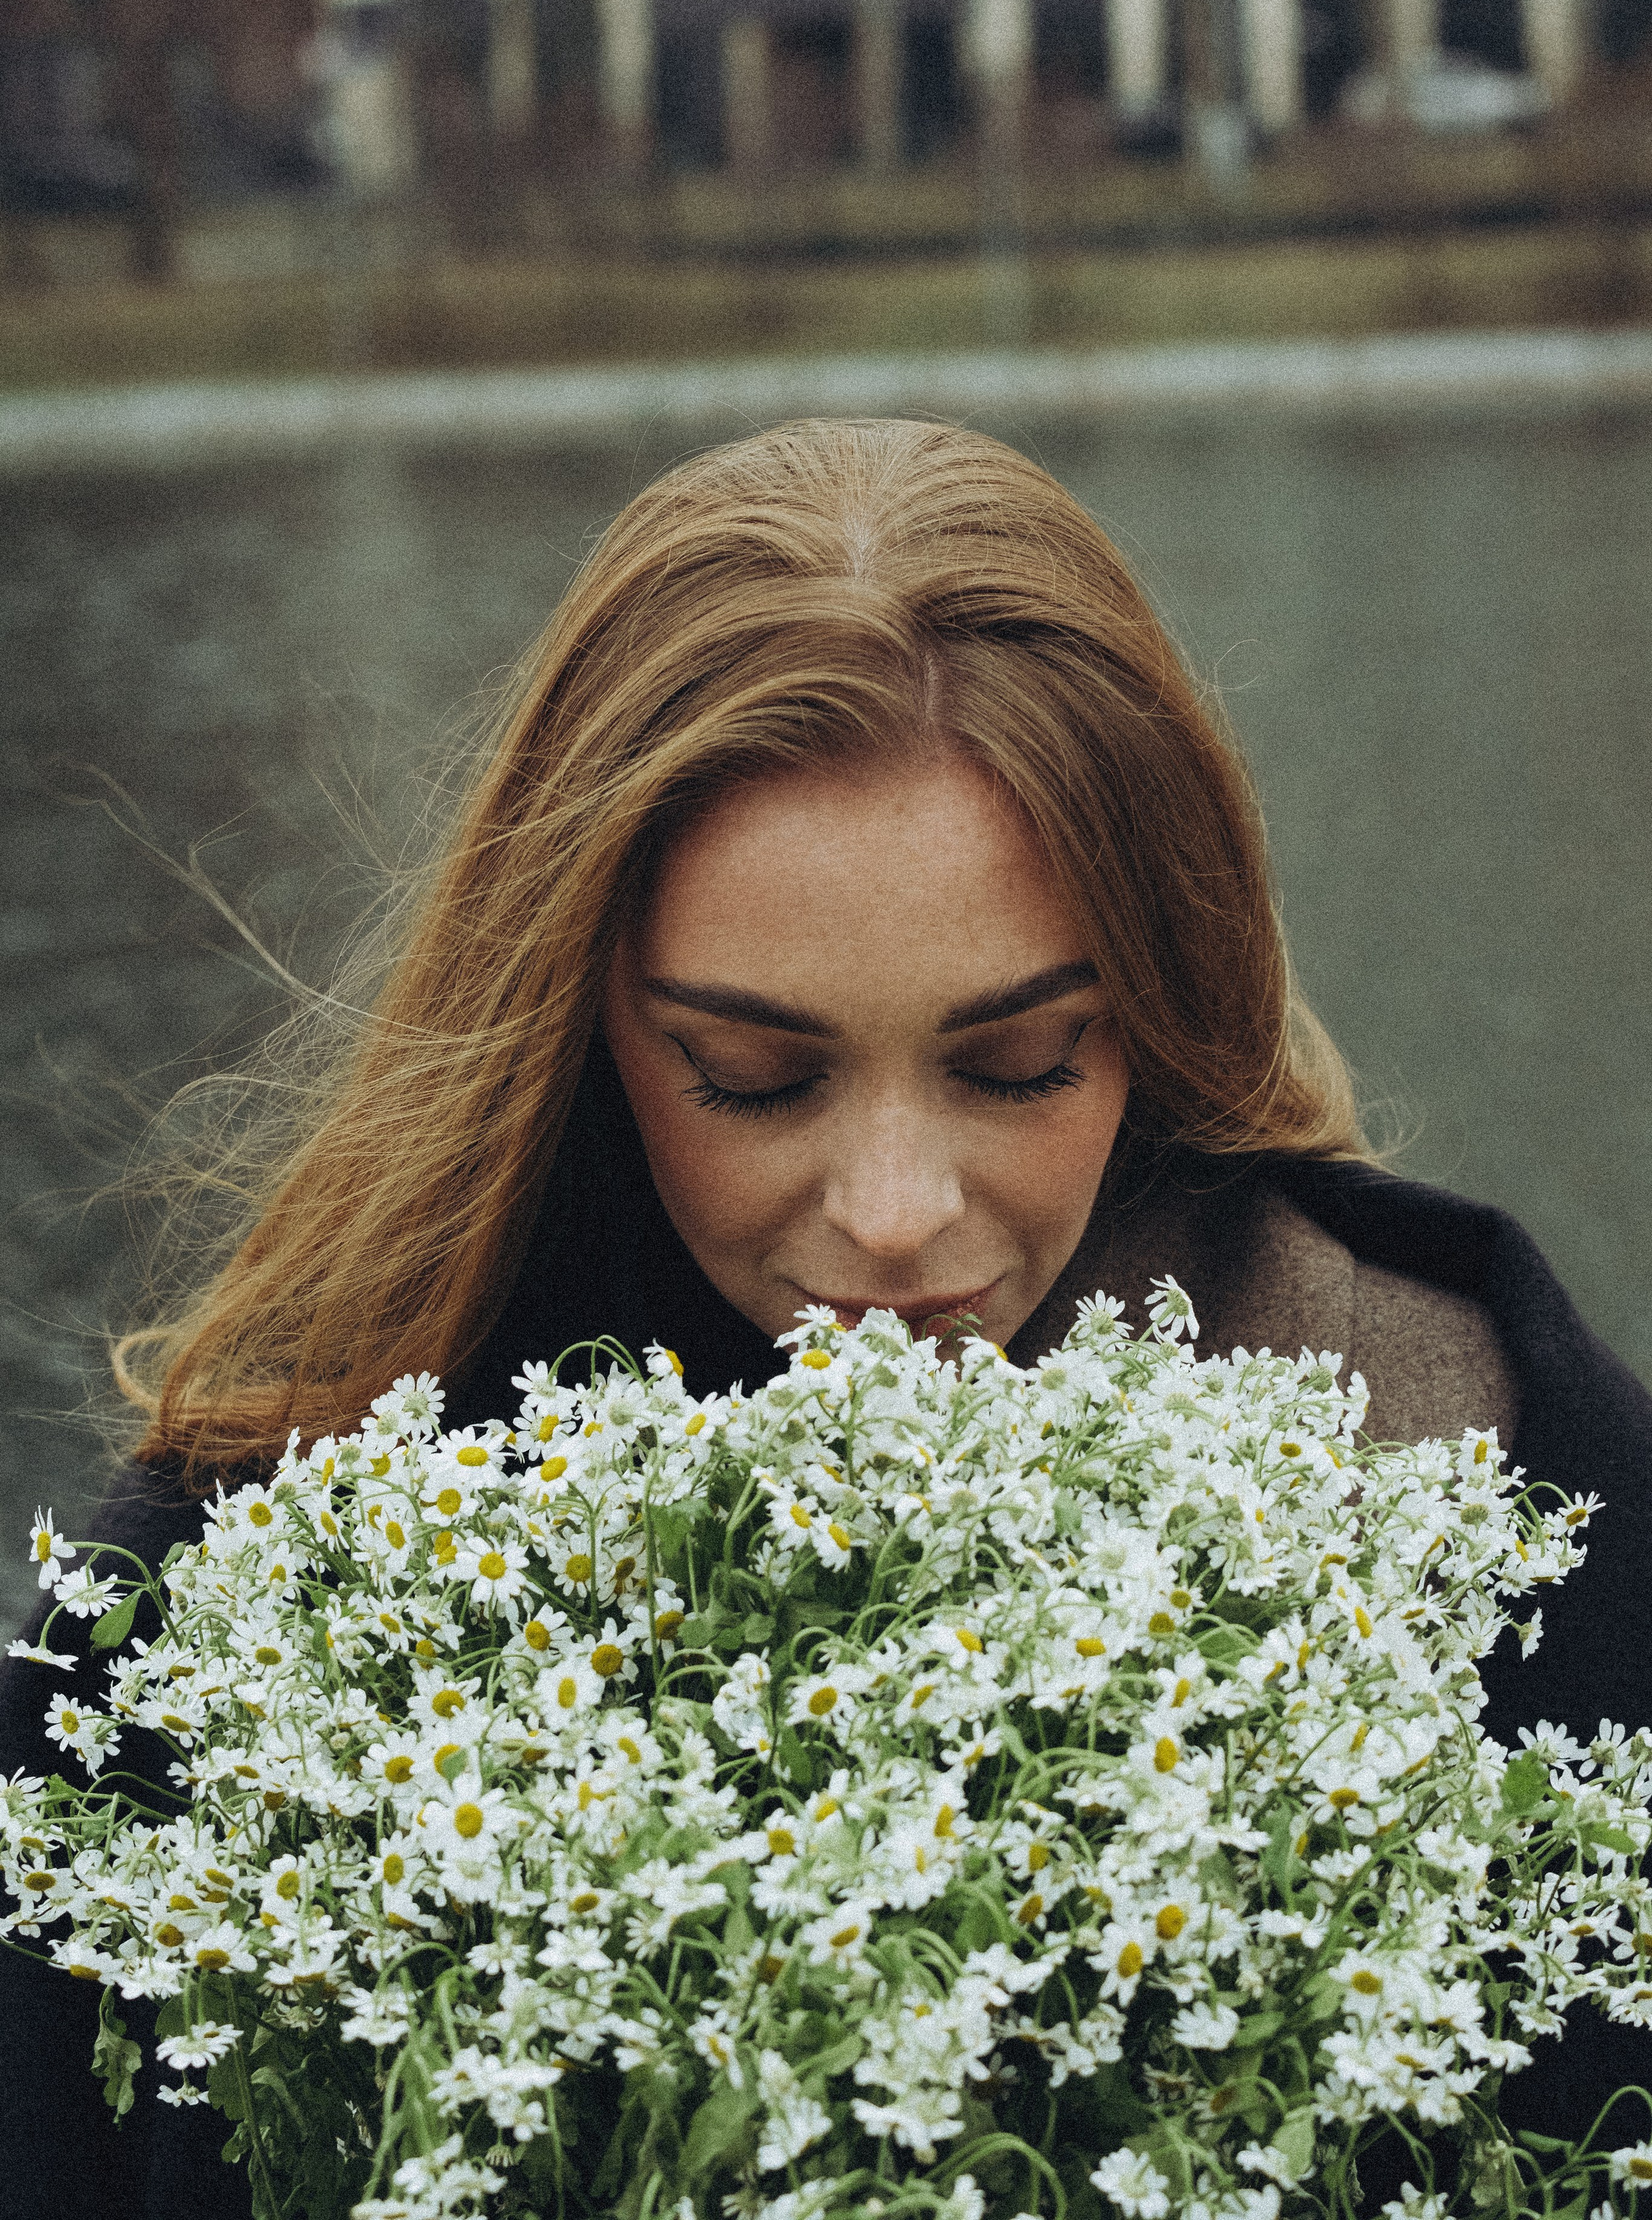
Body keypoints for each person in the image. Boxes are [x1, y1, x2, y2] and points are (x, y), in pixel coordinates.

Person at [3, 417, 1649, 2217]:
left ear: (1162, 1004)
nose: (894, 1216)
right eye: (754, 1078)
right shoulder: (251, 1587)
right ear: (580, 1023)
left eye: (1020, 1063)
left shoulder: (1474, 1468)